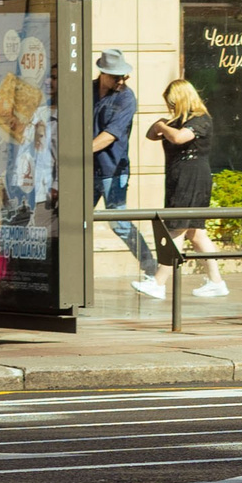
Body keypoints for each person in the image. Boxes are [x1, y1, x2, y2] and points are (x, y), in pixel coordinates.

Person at [90, 49, 165, 300]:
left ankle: (149, 267)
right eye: (116, 77)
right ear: (103, 73)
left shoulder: (126, 98)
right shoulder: (84, 90)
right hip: (85, 169)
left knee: (119, 223)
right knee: (73, 221)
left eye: (125, 76)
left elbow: (111, 135)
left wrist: (75, 151)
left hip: (113, 168)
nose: (121, 81)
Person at [146, 78, 229, 298]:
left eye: (172, 103)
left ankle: (158, 282)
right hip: (179, 177)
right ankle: (216, 281)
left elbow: (179, 138)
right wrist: (165, 123)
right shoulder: (177, 121)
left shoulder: (200, 120)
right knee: (196, 233)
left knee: (177, 228)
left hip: (192, 178)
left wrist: (162, 124)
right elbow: (151, 134)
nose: (170, 108)